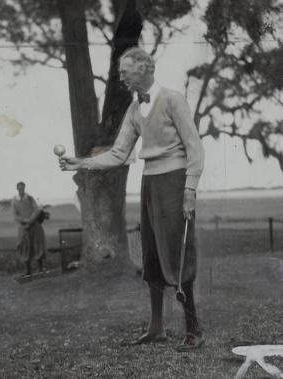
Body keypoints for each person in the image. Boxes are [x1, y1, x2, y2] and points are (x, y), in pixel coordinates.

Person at [59, 47, 205, 351]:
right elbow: (118, 153)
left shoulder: (173, 99)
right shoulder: (134, 108)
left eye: (125, 71)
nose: (120, 77)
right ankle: (156, 328)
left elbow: (195, 149)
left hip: (175, 181)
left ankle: (194, 328)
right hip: (150, 182)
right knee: (151, 254)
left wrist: (189, 190)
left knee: (177, 254)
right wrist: (81, 162)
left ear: (143, 68)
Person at [12, 182, 47, 278]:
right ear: (17, 189)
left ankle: (40, 269)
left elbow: (37, 210)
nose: (21, 190)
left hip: (34, 226)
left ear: (24, 188)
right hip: (24, 227)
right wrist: (24, 221)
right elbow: (15, 215)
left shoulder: (30, 198)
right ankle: (28, 271)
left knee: (37, 246)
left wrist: (30, 221)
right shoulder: (14, 201)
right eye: (19, 188)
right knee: (24, 247)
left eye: (22, 188)